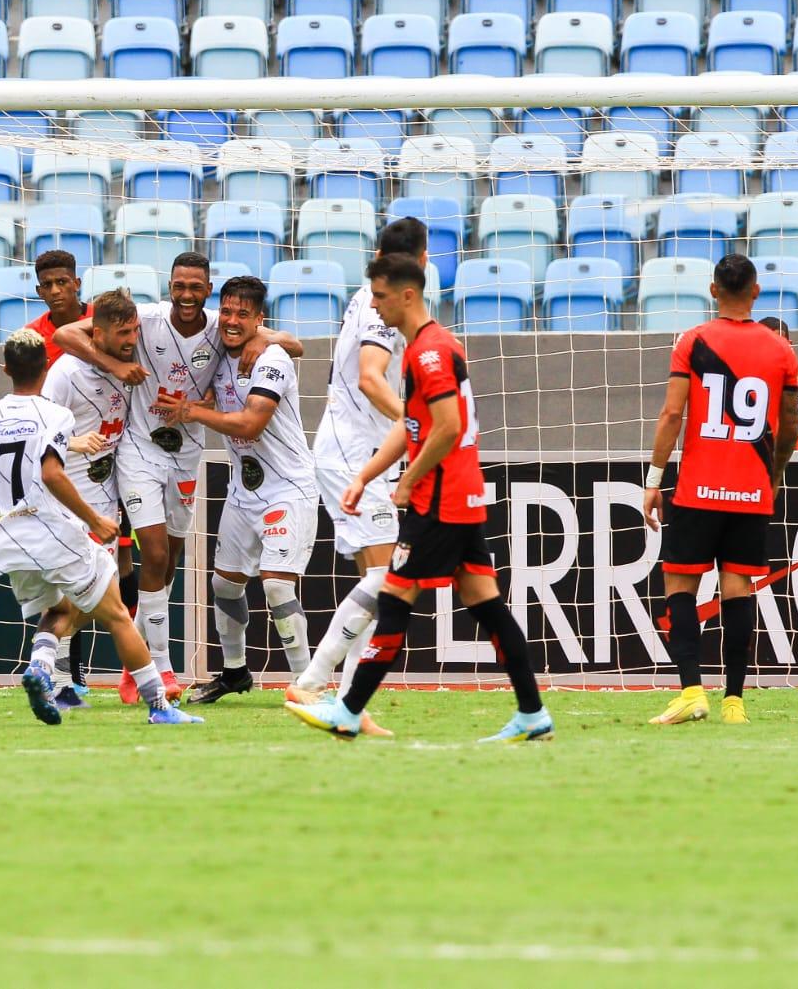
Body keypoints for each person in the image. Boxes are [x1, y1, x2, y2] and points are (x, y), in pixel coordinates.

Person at [287, 254, 553, 742]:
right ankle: (532, 713)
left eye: (381, 296)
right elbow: (413, 426)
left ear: (407, 295)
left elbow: (447, 427)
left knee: (393, 598)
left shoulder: (428, 353)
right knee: (487, 606)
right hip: (458, 494)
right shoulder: (428, 346)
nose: (375, 305)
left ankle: (345, 708)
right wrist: (366, 475)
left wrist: (408, 483)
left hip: (439, 500)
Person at [53, 253, 302, 703]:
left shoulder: (220, 327)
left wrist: (261, 339)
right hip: (139, 449)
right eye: (179, 285)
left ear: (207, 290)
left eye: (196, 287)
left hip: (187, 454)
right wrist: (115, 366)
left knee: (169, 558)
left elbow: (293, 344)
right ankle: (160, 669)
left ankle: (138, 664)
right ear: (169, 285)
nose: (187, 295)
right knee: (149, 550)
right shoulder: (144, 319)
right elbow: (65, 332)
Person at [0, 330, 201, 726]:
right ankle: (159, 706)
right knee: (117, 612)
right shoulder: (55, 414)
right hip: (49, 532)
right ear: (46, 366)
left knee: (58, 608)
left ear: (5, 370)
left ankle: (39, 666)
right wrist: (94, 519)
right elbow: (51, 474)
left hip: (3, 540)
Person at [642, 256, 798, 726]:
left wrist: (654, 480)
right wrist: (772, 474)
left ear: (713, 291)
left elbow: (673, 415)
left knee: (680, 587)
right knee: (739, 589)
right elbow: (790, 422)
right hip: (750, 491)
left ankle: (692, 690)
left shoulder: (692, 342)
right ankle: (734, 701)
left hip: (696, 490)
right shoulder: (781, 351)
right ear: (756, 292)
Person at [153, 276, 319, 704]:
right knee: (225, 585)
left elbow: (250, 423)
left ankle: (308, 684)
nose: (230, 320)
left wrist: (191, 411)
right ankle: (234, 673)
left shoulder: (271, 359)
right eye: (226, 311)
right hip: (243, 491)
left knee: (278, 587)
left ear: (259, 319)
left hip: (287, 488)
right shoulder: (221, 349)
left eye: (243, 315)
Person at [289, 219, 424, 718]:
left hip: (352, 449)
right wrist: (415, 422)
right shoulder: (381, 312)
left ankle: (346, 703)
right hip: (354, 453)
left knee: (379, 583)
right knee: (388, 578)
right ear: (422, 262)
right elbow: (370, 378)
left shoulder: (365, 297)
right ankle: (316, 685)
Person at [39, 288, 167, 706]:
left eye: (135, 330)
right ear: (99, 333)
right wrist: (74, 443)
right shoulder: (67, 373)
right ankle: (55, 677)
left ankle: (53, 675)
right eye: (123, 332)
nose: (132, 338)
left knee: (94, 599)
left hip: (109, 494)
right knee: (87, 599)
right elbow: (40, 436)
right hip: (70, 498)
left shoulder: (132, 362)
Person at [23, 248, 119, 697]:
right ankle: (64, 677)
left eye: (65, 282)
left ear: (78, 283)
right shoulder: (31, 337)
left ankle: (129, 672)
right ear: (39, 290)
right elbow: (28, 403)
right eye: (49, 285)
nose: (57, 290)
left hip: (121, 457)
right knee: (74, 574)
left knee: (132, 565)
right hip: (65, 463)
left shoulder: (108, 317)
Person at [760, 317, 798, 450]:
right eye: (766, 344)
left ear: (790, 344)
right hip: (763, 463)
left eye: (779, 343)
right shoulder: (749, 386)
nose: (772, 350)